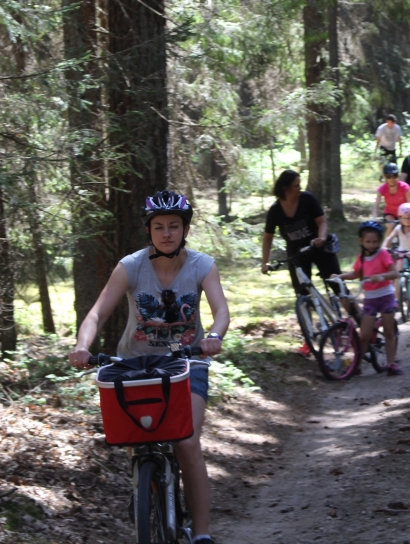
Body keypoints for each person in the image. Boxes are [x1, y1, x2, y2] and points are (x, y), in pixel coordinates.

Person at [69, 191, 228, 544]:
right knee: (137, 439)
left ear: (185, 230)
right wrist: (83, 346)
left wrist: (214, 336)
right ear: (149, 230)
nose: (166, 233)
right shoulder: (130, 266)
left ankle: (201, 534)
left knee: (187, 441)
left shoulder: (202, 265)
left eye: (174, 226)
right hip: (134, 363)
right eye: (159, 227)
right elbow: (97, 313)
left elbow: (221, 310)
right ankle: (147, 487)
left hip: (187, 362)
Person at [260, 170, 346, 353]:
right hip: (297, 255)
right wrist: (265, 262)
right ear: (285, 188)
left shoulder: (307, 199)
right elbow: (267, 238)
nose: (300, 188)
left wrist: (321, 238)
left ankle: (358, 322)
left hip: (319, 249)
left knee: (337, 285)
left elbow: (322, 222)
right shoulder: (275, 210)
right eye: (296, 186)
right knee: (302, 295)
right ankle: (309, 338)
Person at [331, 221, 403, 375]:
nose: (371, 245)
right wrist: (339, 276)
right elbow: (356, 273)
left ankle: (391, 363)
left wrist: (381, 277)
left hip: (386, 297)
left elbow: (394, 273)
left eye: (375, 241)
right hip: (370, 300)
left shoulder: (383, 254)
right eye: (368, 241)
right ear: (361, 241)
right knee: (364, 336)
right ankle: (356, 366)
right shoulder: (362, 258)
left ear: (379, 241)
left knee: (388, 332)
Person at [382, 203, 410, 287]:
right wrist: (384, 247)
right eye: (404, 218)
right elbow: (389, 238)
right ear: (400, 218)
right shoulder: (398, 228)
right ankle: (397, 294)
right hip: (402, 252)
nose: (407, 220)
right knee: (397, 276)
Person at [373, 162, 410, 236]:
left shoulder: (405, 187)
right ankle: (386, 243)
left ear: (398, 175)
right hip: (390, 213)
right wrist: (374, 217)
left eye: (394, 176)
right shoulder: (382, 189)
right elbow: (376, 204)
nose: (392, 179)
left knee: (407, 230)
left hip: (404, 213)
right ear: (384, 176)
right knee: (391, 225)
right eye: (388, 176)